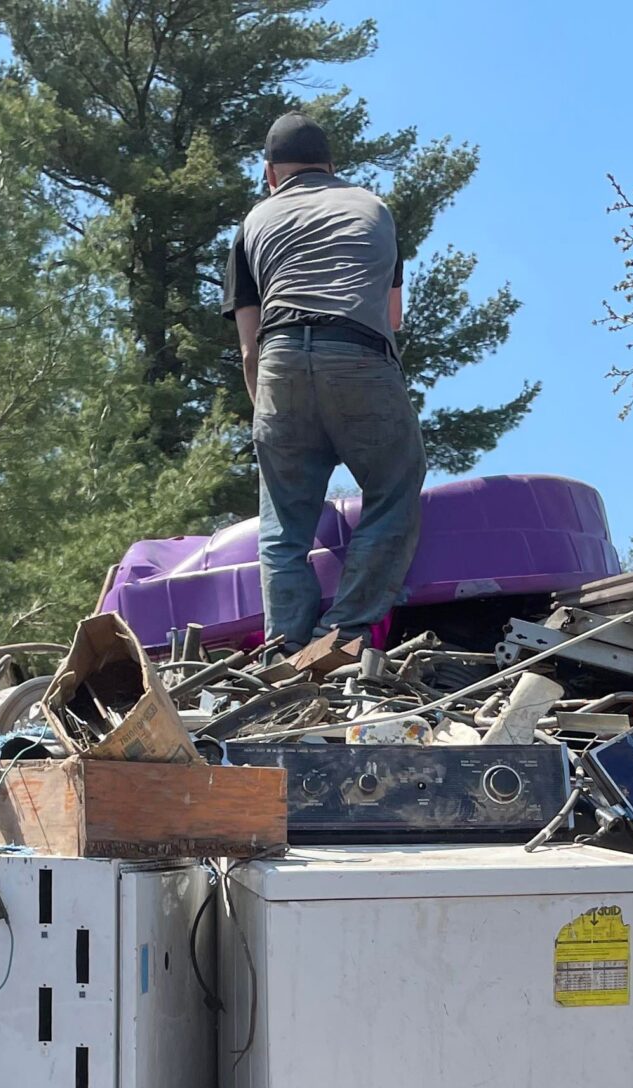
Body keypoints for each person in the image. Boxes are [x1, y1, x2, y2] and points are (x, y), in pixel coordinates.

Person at [224, 111, 425, 676]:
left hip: (280, 357)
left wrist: (269, 414)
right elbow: (393, 319)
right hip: (360, 351)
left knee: (283, 522)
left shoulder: (253, 223)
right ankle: (346, 631)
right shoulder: (373, 208)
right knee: (393, 488)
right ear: (333, 168)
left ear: (270, 173)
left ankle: (285, 647)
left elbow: (247, 348)